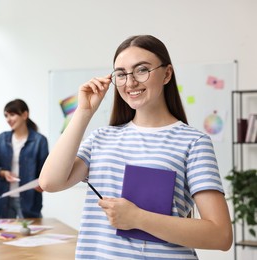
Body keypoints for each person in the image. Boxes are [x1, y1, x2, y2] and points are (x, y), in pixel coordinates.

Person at [39, 35, 233, 259]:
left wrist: (138, 218)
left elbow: (220, 235)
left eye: (142, 70)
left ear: (166, 74)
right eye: (121, 74)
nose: (130, 82)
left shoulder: (194, 142)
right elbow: (49, 182)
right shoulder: (101, 138)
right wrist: (83, 112)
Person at [0, 99, 49, 218]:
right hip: (2, 200)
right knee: (2, 236)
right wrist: (3, 173)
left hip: (29, 200)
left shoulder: (40, 141)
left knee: (30, 235)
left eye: (12, 114)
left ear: (25, 115)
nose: (8, 119)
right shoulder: (1, 139)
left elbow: (44, 172)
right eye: (6, 115)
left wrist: (42, 183)